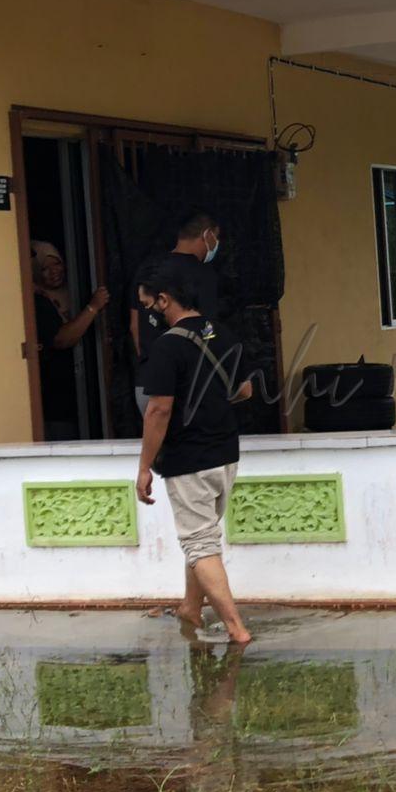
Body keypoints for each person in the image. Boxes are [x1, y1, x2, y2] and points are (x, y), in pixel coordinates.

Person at [134, 261, 253, 644]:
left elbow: (158, 409)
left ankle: (236, 628)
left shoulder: (167, 347)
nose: (147, 314)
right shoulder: (225, 334)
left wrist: (144, 468)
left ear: (165, 300)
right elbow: (245, 391)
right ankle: (190, 607)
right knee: (201, 536)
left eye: (148, 305)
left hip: (189, 460)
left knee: (199, 544)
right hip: (225, 453)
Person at [131, 211, 223, 415]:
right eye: (216, 237)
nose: (217, 243)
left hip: (147, 384)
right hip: (186, 386)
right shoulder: (203, 274)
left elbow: (135, 326)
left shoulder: (147, 268)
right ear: (207, 235)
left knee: (159, 443)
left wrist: (148, 362)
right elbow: (207, 330)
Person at [31, 240, 109, 440]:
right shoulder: (37, 301)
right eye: (43, 268)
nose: (53, 271)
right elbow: (62, 339)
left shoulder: (76, 288)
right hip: (57, 399)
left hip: (82, 396)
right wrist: (92, 308)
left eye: (55, 263)